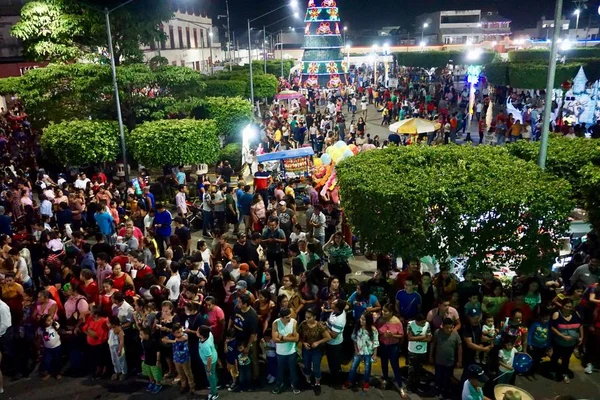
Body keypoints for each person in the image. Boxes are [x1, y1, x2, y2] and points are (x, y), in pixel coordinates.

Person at [297, 308, 331, 394]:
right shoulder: (303, 324)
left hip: (317, 350)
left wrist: (318, 342)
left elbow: (328, 337)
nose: (307, 319)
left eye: (309, 317)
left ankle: (317, 383)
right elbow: (298, 336)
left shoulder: (320, 326)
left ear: (314, 317)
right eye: (306, 317)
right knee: (307, 366)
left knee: (316, 367)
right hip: (306, 350)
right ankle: (308, 381)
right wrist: (303, 343)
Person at [550, 298, 583, 383]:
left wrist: (581, 337)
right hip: (559, 342)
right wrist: (562, 336)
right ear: (562, 305)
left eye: (570, 307)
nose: (568, 308)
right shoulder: (557, 314)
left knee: (566, 358)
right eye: (566, 306)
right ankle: (552, 371)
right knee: (555, 357)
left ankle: (564, 373)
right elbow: (552, 327)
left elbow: (580, 325)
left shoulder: (576, 314)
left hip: (571, 343)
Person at [343, 311, 379, 391]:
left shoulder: (373, 330)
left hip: (368, 353)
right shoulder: (357, 327)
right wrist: (356, 349)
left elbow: (376, 342)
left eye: (364, 320)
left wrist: (375, 354)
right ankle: (349, 381)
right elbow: (354, 339)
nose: (361, 321)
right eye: (361, 319)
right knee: (353, 367)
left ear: (368, 321)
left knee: (367, 368)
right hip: (358, 352)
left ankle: (366, 382)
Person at [376, 304, 405, 394]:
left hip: (393, 345)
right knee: (384, 363)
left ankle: (400, 386)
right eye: (383, 311)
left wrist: (393, 335)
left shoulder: (397, 321)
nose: (383, 312)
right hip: (383, 345)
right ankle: (385, 379)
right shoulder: (379, 320)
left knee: (394, 365)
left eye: (386, 311)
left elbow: (401, 335)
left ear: (391, 312)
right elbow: (375, 331)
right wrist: (381, 335)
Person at [430, 318, 462, 398]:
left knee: (448, 378)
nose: (449, 329)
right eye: (447, 328)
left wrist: (459, 360)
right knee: (438, 377)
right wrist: (430, 356)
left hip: (450, 362)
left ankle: (446, 392)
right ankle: (437, 390)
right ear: (443, 326)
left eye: (451, 327)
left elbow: (459, 348)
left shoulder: (455, 335)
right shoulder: (437, 333)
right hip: (439, 361)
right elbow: (433, 344)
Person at [271, 308, 300, 395]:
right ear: (281, 317)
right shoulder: (276, 323)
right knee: (280, 370)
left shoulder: (294, 322)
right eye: (287, 317)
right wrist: (290, 338)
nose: (290, 318)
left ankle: (294, 385)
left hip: (292, 352)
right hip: (280, 352)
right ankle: (279, 384)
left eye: (290, 316)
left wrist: (282, 337)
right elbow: (275, 339)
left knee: (293, 370)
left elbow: (296, 338)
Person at [162, 323, 195, 395]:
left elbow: (184, 338)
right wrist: (173, 341)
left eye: (181, 331)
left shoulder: (184, 335)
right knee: (181, 373)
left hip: (185, 359)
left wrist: (174, 339)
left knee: (188, 373)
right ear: (173, 333)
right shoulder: (173, 337)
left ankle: (192, 387)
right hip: (176, 359)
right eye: (178, 332)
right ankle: (184, 386)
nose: (180, 333)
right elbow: (163, 339)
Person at [406, 313, 431, 392]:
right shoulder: (410, 324)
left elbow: (429, 338)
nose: (423, 324)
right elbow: (409, 338)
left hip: (422, 351)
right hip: (412, 351)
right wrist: (423, 337)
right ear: (417, 321)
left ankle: (416, 385)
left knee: (419, 369)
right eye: (422, 323)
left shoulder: (427, 324)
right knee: (412, 370)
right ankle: (410, 386)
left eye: (424, 322)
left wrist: (416, 338)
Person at [326, 300, 346, 385]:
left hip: (334, 344)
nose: (331, 303)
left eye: (333, 303)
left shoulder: (339, 320)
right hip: (331, 342)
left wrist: (324, 327)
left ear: (337, 308)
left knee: (333, 363)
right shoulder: (337, 311)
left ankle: (336, 381)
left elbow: (333, 335)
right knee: (335, 362)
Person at [38, 313, 62, 381]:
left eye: (51, 319)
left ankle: (57, 373)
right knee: (47, 361)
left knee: (57, 360)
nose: (50, 321)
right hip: (47, 348)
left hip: (57, 346)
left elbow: (59, 331)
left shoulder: (55, 325)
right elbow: (40, 338)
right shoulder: (41, 329)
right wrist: (38, 346)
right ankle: (48, 373)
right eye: (48, 320)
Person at [197, 325, 219, 400]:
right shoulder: (209, 334)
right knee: (213, 373)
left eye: (197, 331)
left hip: (209, 362)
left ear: (201, 335)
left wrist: (208, 370)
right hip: (214, 355)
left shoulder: (205, 346)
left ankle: (214, 393)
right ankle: (217, 383)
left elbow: (209, 358)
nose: (196, 332)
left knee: (210, 376)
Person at [140, 327, 163, 393]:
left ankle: (158, 384)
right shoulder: (143, 341)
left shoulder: (154, 341)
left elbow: (158, 351)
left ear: (147, 334)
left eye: (141, 334)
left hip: (153, 361)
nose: (140, 336)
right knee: (149, 372)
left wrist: (158, 360)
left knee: (155, 373)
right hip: (147, 360)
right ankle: (152, 382)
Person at [107, 316, 127, 381]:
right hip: (112, 348)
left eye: (109, 323)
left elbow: (121, 341)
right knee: (114, 360)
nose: (107, 324)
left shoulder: (119, 330)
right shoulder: (111, 330)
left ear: (114, 324)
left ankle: (124, 372)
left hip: (118, 347)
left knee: (121, 360)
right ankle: (117, 371)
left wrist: (120, 349)